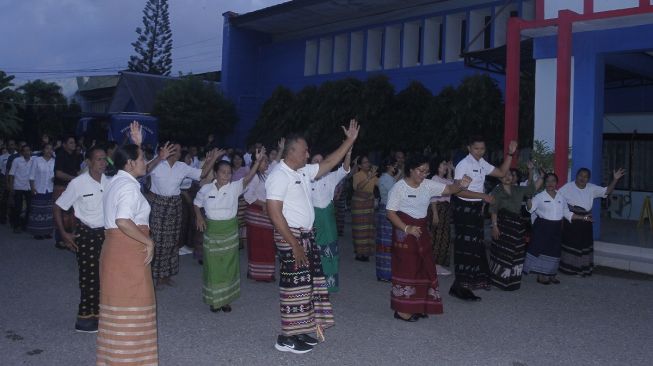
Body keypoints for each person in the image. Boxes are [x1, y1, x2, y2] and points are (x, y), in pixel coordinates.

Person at [266, 119, 359, 354]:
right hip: (292, 237)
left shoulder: (303, 171)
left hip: (304, 236)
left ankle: (298, 332)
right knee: (293, 287)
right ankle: (286, 337)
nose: (308, 153)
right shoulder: (279, 175)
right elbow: (274, 213)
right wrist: (294, 244)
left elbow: (329, 162)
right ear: (292, 151)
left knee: (305, 287)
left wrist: (349, 141)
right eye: (305, 149)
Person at [386, 155, 471, 321]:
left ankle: (417, 305)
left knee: (423, 268)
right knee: (407, 269)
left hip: (421, 231)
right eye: (420, 170)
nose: (423, 174)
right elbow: (390, 213)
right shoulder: (399, 188)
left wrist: (461, 185)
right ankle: (402, 310)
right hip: (404, 232)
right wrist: (406, 228)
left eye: (426, 171)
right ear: (411, 169)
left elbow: (449, 190)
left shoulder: (427, 185)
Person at [97, 141, 158, 365]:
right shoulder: (128, 186)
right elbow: (122, 220)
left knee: (119, 310)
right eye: (142, 158)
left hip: (116, 250)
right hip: (128, 251)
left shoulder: (116, 181)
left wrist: (138, 143)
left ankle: (116, 359)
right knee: (135, 307)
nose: (146, 162)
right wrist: (148, 241)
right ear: (131, 163)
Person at [194, 148, 263, 314]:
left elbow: (247, 178)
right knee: (213, 266)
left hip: (229, 230)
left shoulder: (234, 188)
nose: (226, 175)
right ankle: (214, 300)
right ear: (216, 173)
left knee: (228, 266)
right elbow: (197, 204)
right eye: (223, 172)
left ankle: (225, 300)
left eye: (229, 173)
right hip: (212, 231)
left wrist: (258, 162)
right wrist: (199, 217)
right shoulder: (206, 189)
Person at [450, 136, 517, 301]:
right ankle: (461, 286)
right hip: (463, 208)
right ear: (469, 148)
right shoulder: (463, 164)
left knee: (475, 247)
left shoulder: (481, 163)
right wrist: (483, 196)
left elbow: (501, 173)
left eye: (482, 149)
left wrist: (509, 154)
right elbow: (457, 190)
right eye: (476, 149)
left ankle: (461, 285)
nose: (479, 152)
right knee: (465, 247)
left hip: (475, 209)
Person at [147, 142, 216, 288]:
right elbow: (144, 170)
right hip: (159, 204)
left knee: (173, 241)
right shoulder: (157, 162)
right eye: (174, 150)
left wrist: (212, 160)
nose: (178, 153)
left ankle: (166, 275)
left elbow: (201, 174)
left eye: (179, 150)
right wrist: (160, 158)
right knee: (158, 241)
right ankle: (157, 275)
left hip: (174, 205)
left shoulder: (182, 167)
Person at [54, 145, 108, 333]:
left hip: (107, 235)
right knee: (88, 278)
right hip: (87, 235)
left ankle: (100, 315)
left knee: (105, 277)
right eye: (99, 159)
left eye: (105, 159)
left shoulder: (109, 182)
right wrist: (64, 234)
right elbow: (58, 207)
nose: (103, 163)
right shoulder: (78, 183)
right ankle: (84, 319)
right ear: (89, 162)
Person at [558, 167, 625, 276]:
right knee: (571, 245)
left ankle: (582, 269)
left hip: (586, 221)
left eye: (585, 176)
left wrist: (615, 179)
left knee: (584, 246)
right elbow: (558, 201)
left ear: (588, 179)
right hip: (571, 221)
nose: (582, 178)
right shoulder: (567, 188)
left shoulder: (591, 188)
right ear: (576, 175)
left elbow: (607, 191)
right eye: (581, 175)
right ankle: (569, 269)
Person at [488, 161, 541, 291]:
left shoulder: (518, 189)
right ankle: (499, 280)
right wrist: (494, 226)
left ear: (513, 178)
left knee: (516, 253)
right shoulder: (497, 191)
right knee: (502, 253)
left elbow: (531, 189)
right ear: (500, 177)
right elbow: (493, 209)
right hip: (502, 225)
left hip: (517, 225)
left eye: (510, 175)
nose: (508, 177)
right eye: (505, 175)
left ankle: (512, 281)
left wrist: (530, 171)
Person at [310, 150, 352, 293]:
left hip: (328, 220)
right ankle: (313, 285)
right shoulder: (304, 178)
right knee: (313, 252)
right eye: (315, 160)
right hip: (312, 220)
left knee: (330, 252)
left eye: (321, 160)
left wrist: (348, 154)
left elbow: (345, 169)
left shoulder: (331, 177)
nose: (318, 163)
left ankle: (329, 285)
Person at [523, 173, 567, 284]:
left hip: (556, 228)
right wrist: (528, 198)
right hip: (543, 227)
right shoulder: (539, 196)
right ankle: (541, 276)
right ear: (544, 184)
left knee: (554, 251)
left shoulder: (561, 197)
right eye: (547, 181)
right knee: (542, 250)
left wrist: (583, 217)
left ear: (556, 183)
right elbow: (530, 209)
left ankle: (551, 274)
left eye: (553, 181)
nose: (550, 183)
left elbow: (566, 212)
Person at [244, 152, 275, 281]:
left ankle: (267, 272)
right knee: (257, 243)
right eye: (264, 161)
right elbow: (247, 196)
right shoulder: (255, 177)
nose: (267, 163)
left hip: (266, 212)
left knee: (268, 243)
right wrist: (263, 204)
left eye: (267, 161)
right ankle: (256, 273)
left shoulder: (265, 175)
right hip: (257, 213)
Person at [53, 135, 82, 249]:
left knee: (72, 215)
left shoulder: (76, 156)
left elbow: (78, 171)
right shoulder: (60, 156)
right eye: (70, 143)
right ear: (64, 145)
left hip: (72, 187)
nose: (73, 144)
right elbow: (58, 174)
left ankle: (71, 238)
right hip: (61, 187)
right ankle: (60, 239)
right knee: (60, 213)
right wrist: (74, 178)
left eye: (74, 142)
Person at [351, 156, 378, 261]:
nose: (368, 164)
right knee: (359, 229)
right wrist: (369, 178)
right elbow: (357, 187)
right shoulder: (357, 175)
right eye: (365, 162)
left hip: (368, 204)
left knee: (368, 229)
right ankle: (359, 253)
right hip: (359, 204)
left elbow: (380, 184)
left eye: (368, 162)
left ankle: (366, 253)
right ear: (359, 166)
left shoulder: (372, 175)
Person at [429, 159, 454, 273]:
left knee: (444, 236)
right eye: (443, 165)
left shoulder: (444, 179)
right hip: (438, 209)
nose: (445, 166)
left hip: (446, 209)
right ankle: (434, 263)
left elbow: (451, 187)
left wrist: (450, 170)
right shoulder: (435, 178)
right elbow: (433, 197)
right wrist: (434, 213)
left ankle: (438, 263)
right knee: (436, 236)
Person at [375, 156, 397, 281]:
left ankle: (387, 272)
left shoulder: (389, 178)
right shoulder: (384, 178)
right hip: (386, 210)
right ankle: (385, 273)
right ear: (389, 166)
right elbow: (394, 192)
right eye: (394, 165)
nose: (395, 168)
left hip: (389, 209)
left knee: (389, 241)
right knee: (385, 242)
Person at [27, 143, 55, 239]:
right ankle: (37, 232)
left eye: (51, 149)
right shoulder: (37, 160)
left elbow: (55, 175)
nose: (49, 150)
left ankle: (47, 231)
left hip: (50, 189)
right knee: (38, 212)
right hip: (38, 189)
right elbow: (31, 175)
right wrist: (32, 187)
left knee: (48, 212)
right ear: (43, 150)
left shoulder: (54, 162)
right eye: (47, 148)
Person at [8, 145, 33, 233]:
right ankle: (16, 225)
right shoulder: (16, 160)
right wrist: (11, 187)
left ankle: (25, 225)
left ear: (31, 151)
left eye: (28, 150)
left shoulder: (34, 161)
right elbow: (11, 174)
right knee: (18, 207)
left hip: (29, 187)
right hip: (18, 186)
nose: (27, 152)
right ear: (22, 152)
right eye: (25, 151)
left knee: (29, 207)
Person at [231, 152, 250, 249]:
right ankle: (236, 240)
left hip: (243, 198)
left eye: (239, 159)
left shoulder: (245, 169)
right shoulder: (230, 170)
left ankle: (241, 241)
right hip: (232, 199)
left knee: (242, 220)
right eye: (235, 158)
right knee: (234, 219)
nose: (237, 161)